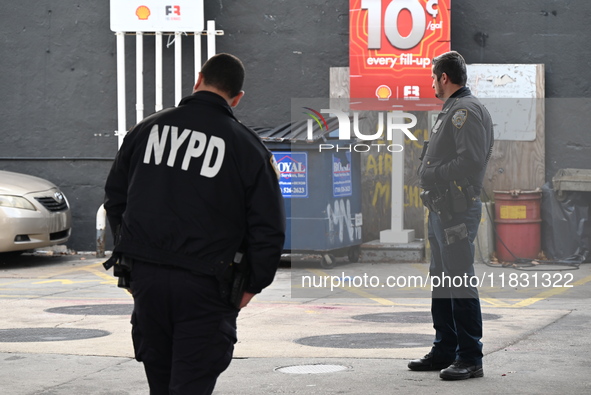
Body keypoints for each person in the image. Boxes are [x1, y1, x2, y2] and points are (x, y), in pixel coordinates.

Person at [103, 53, 286, 394]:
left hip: (148, 281)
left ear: (198, 79)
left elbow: (115, 200)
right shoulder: (247, 147)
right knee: (191, 384)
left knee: (161, 381)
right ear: (238, 97)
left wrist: (132, 261)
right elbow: (268, 228)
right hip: (208, 286)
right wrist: (251, 286)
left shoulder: (145, 130)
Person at [410, 51, 494, 380]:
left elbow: (470, 162)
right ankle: (445, 348)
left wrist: (433, 173)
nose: (432, 83)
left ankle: (470, 357)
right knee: (442, 281)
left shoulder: (465, 111)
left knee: (458, 280)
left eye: (433, 78)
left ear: (444, 77)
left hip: (456, 211)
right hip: (442, 210)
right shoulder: (453, 109)